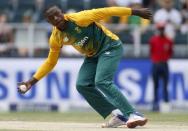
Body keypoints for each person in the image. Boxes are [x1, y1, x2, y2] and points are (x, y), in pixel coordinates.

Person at [17, 6, 152, 128]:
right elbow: (50, 62)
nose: (58, 19)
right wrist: (31, 82)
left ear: (62, 13)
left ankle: (133, 114)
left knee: (102, 81)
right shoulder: (56, 37)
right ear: (49, 22)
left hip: (110, 46)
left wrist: (135, 12)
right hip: (92, 55)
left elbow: (108, 11)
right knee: (82, 84)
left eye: (58, 14)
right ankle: (119, 116)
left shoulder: (80, 18)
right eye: (53, 18)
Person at [149, 22, 173, 112]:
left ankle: (166, 103)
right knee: (156, 85)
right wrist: (156, 59)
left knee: (165, 85)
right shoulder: (153, 40)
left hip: (164, 64)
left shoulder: (169, 41)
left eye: (162, 29)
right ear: (158, 29)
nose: (161, 30)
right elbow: (151, 51)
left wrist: (164, 59)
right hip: (156, 64)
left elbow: (170, 52)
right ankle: (155, 104)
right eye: (160, 29)